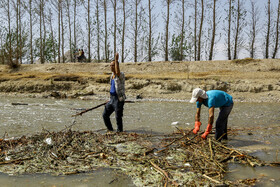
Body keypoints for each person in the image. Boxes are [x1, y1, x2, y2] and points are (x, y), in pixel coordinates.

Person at [102, 53, 126, 132]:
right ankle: (110, 130)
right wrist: (109, 99)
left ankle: (120, 132)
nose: (111, 67)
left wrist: (116, 60)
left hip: (118, 99)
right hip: (112, 99)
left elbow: (118, 72)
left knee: (118, 117)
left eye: (113, 65)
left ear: (116, 66)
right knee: (105, 115)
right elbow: (112, 87)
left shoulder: (120, 75)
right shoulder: (111, 75)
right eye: (110, 65)